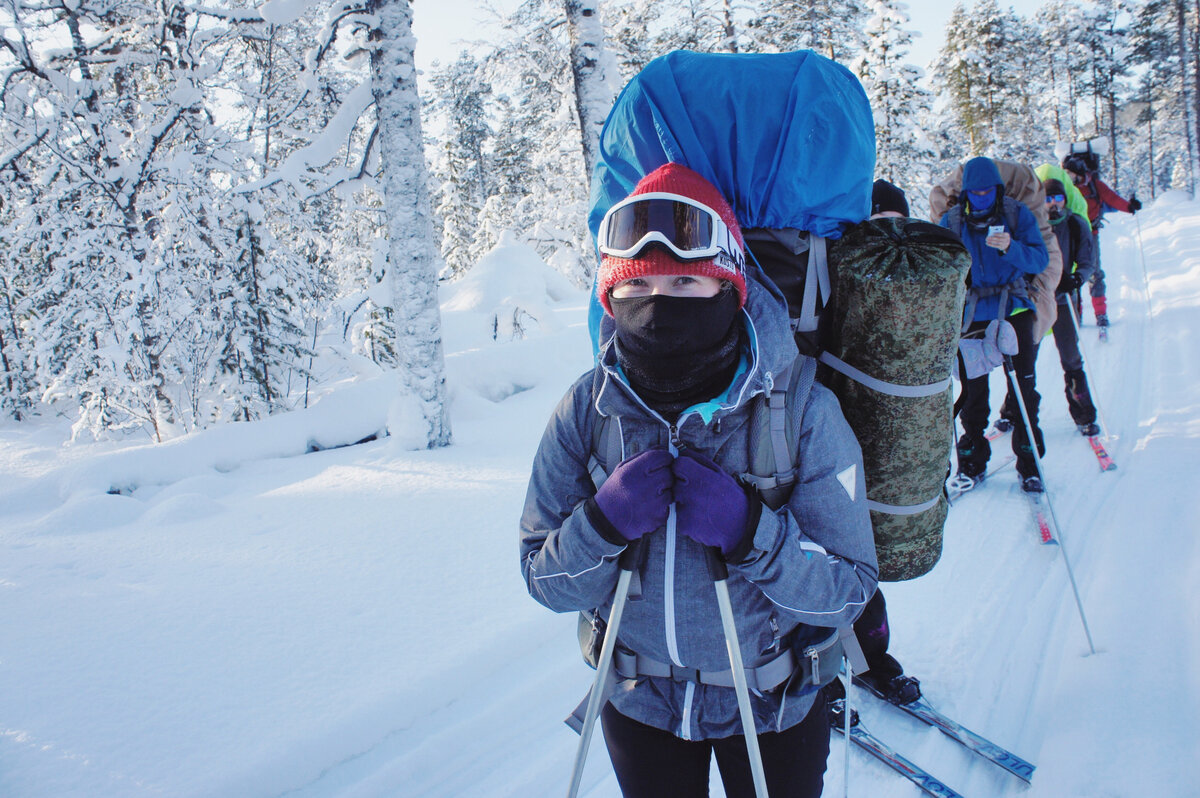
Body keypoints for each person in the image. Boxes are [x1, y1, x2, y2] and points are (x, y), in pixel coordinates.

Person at [520, 162, 878, 798]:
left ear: (729, 287)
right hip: (638, 705)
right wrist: (601, 525)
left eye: (686, 279)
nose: (660, 304)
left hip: (774, 706)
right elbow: (543, 580)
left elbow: (849, 590)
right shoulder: (587, 410)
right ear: (610, 296)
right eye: (641, 284)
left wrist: (751, 534)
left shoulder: (799, 410)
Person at [825, 179, 922, 716]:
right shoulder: (838, 265)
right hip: (819, 424)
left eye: (894, 223)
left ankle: (868, 660)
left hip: (871, 438)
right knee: (813, 553)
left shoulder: (906, 275)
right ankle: (817, 674)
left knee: (861, 557)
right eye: (875, 222)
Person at [939, 157, 1050, 493]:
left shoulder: (1016, 215)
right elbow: (942, 265)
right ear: (967, 193)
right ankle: (971, 463)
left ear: (998, 191)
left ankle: (1030, 465)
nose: (983, 197)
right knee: (973, 394)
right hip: (972, 314)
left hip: (1014, 308)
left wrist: (1011, 249)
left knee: (1023, 391)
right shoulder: (952, 221)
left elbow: (1039, 258)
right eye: (976, 192)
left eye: (989, 191)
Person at [1062, 151, 1142, 327]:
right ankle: (1077, 315)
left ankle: (1101, 314)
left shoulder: (1095, 186)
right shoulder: (1065, 188)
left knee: (1094, 274)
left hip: (1090, 235)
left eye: (1070, 173)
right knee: (1071, 276)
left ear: (1080, 174)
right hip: (1068, 236)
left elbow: (1112, 198)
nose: (1067, 176)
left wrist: (1129, 207)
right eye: (1066, 173)